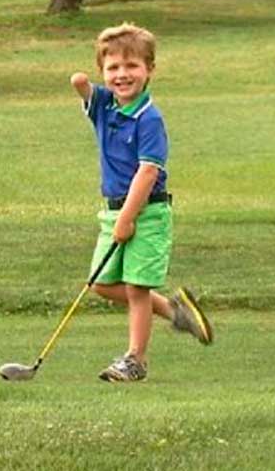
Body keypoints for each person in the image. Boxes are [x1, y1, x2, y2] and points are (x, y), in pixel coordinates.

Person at [70, 23, 213, 382]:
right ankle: (174, 310)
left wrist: (129, 218)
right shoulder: (104, 105)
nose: (122, 74)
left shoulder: (150, 119)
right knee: (101, 284)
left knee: (136, 287)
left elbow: (147, 174)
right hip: (113, 209)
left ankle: (135, 360)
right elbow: (82, 87)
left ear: (150, 70)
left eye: (132, 66)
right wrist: (83, 83)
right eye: (113, 67)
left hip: (147, 212)